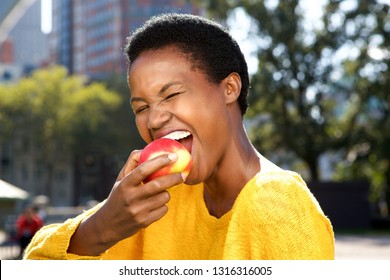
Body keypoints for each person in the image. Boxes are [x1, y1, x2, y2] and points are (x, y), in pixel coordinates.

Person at [24, 13, 334, 260]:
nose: (155, 119)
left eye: (171, 94)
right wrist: (101, 227)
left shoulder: (277, 203)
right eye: (141, 107)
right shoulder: (159, 197)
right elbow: (36, 260)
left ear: (229, 88)